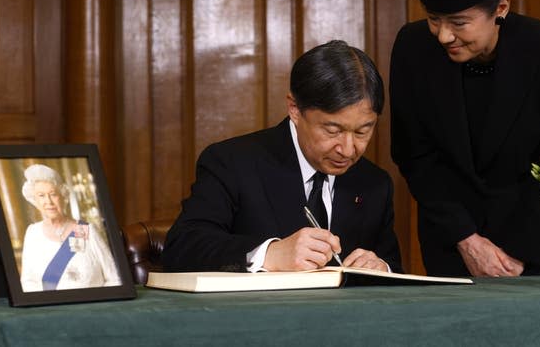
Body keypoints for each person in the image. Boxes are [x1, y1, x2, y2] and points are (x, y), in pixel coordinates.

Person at [389, 0, 540, 277]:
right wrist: (467, 239)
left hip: (533, 248)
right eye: (434, 19)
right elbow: (414, 154)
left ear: (501, 8)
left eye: (459, 22)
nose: (444, 35)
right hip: (452, 244)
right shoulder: (412, 48)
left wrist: (517, 255)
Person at [162, 40, 403, 275]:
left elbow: (394, 269)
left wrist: (382, 268)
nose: (349, 150)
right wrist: (268, 254)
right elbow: (182, 247)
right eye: (333, 130)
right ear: (295, 109)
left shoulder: (374, 184)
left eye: (363, 131)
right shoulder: (232, 163)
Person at [20, 164, 121, 291]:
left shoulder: (87, 230)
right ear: (35, 201)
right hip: (53, 308)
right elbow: (28, 282)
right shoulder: (32, 233)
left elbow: (115, 278)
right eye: (41, 196)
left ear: (64, 196)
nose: (49, 202)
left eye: (53, 194)